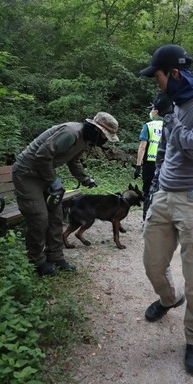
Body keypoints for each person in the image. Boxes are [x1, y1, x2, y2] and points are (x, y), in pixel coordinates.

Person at [139, 44, 193, 375]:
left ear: (173, 74)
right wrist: (154, 188)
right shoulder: (172, 104)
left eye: (158, 77)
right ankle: (168, 299)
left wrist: (171, 118)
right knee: (153, 264)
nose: (156, 84)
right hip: (164, 194)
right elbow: (165, 151)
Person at [12, 112, 119, 277]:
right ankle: (37, 261)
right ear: (97, 131)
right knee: (39, 217)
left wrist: (85, 179)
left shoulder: (84, 140)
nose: (104, 141)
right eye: (105, 136)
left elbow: (74, 161)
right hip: (27, 173)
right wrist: (53, 180)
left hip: (44, 173)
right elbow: (42, 155)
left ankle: (55, 256)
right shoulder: (70, 133)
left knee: (56, 215)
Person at [133, 93, 174, 219]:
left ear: (156, 111)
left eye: (151, 109)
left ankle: (146, 218)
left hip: (150, 163)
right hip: (167, 163)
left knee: (147, 192)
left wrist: (138, 166)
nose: (150, 112)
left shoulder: (148, 126)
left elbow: (142, 146)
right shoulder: (172, 124)